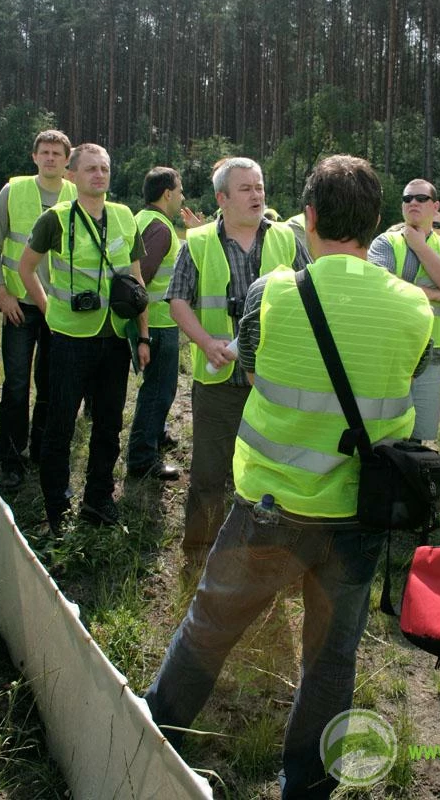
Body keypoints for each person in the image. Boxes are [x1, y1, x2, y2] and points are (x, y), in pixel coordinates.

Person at [144, 155, 434, 799]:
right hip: (356, 519)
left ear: (306, 218)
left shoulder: (272, 291)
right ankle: (305, 788)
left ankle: (153, 740)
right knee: (331, 662)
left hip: (268, 509)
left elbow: (248, 369)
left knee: (208, 631)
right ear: (378, 223)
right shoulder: (413, 307)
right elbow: (406, 379)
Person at [167, 156, 309, 573]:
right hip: (218, 378)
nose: (257, 195)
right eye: (246, 189)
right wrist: (207, 342)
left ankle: (264, 553)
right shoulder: (198, 242)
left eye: (260, 187)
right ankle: (199, 553)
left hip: (272, 378)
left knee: (271, 470)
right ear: (222, 198)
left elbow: (307, 295)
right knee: (210, 473)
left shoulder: (285, 238)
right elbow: (178, 301)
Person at [19, 143, 149, 533]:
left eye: (105, 169)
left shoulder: (125, 217)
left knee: (109, 423)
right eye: (91, 169)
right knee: (60, 424)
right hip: (69, 340)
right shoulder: (55, 219)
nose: (99, 175)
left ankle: (98, 498)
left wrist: (142, 336)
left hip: (114, 338)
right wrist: (48, 310)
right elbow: (27, 270)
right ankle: (57, 505)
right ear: (72, 175)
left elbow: (137, 281)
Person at [0, 129, 75, 490]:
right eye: (44, 152)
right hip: (19, 305)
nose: (50, 158)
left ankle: (41, 451)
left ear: (67, 160)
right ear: (34, 157)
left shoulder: (76, 194)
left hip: (60, 309)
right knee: (17, 384)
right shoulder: (13, 191)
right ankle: (10, 457)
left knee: (51, 385)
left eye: (57, 153)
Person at [368, 178, 440, 441]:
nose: (413, 202)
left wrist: (419, 246)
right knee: (384, 433)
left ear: (435, 207)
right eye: (407, 198)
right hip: (388, 351)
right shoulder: (385, 243)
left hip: (431, 354)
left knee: (421, 437)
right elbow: (381, 286)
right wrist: (436, 293)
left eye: (421, 198)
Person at [126, 166, 183, 481]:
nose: (183, 196)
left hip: (156, 323)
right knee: (159, 390)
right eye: (181, 189)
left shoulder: (142, 218)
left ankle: (156, 434)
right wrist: (145, 334)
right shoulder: (160, 228)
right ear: (168, 193)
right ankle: (142, 459)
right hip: (158, 323)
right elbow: (140, 282)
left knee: (159, 388)